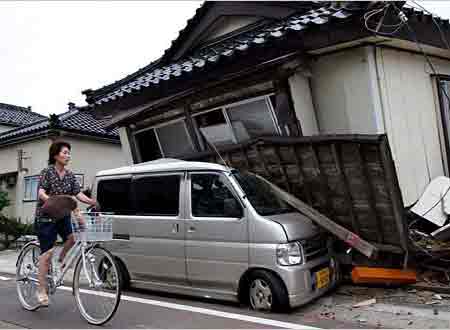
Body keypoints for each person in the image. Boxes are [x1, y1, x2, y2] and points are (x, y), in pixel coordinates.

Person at [34, 140, 97, 307]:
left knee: (73, 237)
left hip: (62, 216)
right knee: (46, 254)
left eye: (69, 153)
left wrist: (92, 202)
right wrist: (52, 201)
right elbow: (40, 192)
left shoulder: (70, 175)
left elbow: (78, 194)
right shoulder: (47, 172)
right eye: (64, 152)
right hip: (46, 217)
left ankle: (61, 260)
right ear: (55, 155)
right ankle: (40, 290)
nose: (68, 156)